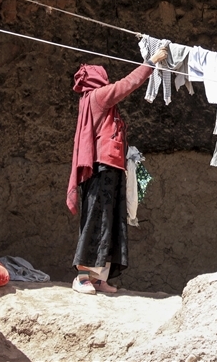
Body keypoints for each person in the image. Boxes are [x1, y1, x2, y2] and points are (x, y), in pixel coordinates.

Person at [67, 47, 167, 295]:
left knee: (111, 220)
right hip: (101, 167)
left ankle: (99, 277)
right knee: (96, 218)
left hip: (112, 167)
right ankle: (82, 276)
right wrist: (150, 62)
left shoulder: (97, 101)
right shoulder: (98, 97)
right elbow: (127, 84)